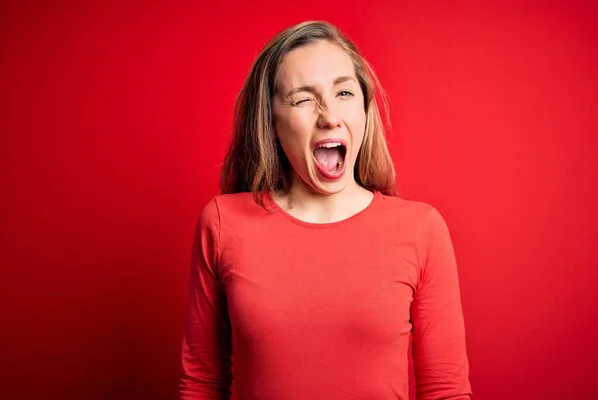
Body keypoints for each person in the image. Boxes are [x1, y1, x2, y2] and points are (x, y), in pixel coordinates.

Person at [179, 20, 472, 400]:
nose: (329, 116)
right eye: (303, 99)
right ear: (270, 122)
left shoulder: (421, 229)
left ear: (365, 111)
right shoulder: (222, 223)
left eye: (345, 93)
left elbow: (445, 391)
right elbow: (202, 383)